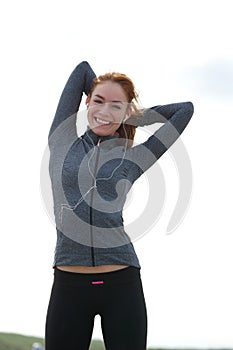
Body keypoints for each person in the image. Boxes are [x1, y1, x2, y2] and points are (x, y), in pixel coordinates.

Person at [45, 61, 194, 350]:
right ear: (87, 101)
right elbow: (83, 70)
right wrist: (107, 107)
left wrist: (128, 117)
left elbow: (184, 110)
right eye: (97, 101)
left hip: (122, 282)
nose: (104, 110)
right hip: (68, 283)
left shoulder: (134, 159)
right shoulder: (61, 141)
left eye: (116, 105)